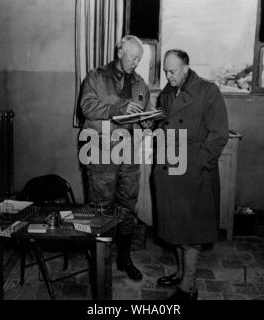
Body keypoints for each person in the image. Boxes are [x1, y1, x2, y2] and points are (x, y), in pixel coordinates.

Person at [153, 49, 229, 300]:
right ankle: (180, 273)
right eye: (165, 70)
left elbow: (219, 135)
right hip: (169, 169)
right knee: (174, 227)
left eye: (172, 71)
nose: (167, 75)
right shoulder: (167, 92)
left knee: (190, 232)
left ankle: (189, 287)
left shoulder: (208, 91)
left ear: (186, 68)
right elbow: (165, 123)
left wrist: (198, 164)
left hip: (192, 171)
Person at [80, 35, 154, 281]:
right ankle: (100, 261)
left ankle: (124, 258)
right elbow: (87, 107)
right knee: (101, 208)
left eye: (140, 59)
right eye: (134, 57)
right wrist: (118, 109)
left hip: (130, 154)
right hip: (101, 152)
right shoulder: (96, 77)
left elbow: (145, 115)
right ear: (120, 51)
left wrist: (149, 120)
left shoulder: (141, 84)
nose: (137, 62)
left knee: (128, 207)